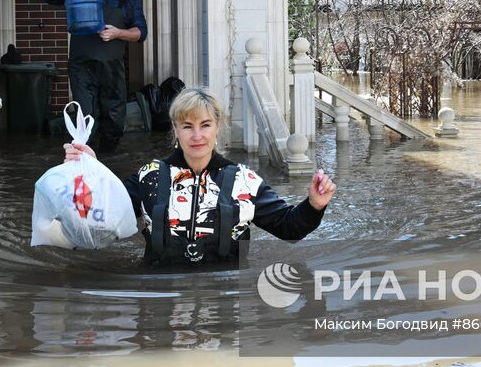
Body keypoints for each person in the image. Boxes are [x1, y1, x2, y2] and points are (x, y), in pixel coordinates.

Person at [64, 88, 335, 265]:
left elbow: (290, 228)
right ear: (175, 130)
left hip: (226, 295)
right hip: (161, 292)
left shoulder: (245, 181)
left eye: (205, 125)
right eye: (187, 126)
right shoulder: (149, 177)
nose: (197, 136)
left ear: (218, 127)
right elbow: (102, 219)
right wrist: (90, 172)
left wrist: (314, 205)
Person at [42, 0, 147, 153]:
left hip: (112, 66)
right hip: (82, 64)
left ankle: (109, 161)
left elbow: (140, 32)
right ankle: (83, 162)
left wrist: (118, 33)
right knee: (86, 116)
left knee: (115, 118)